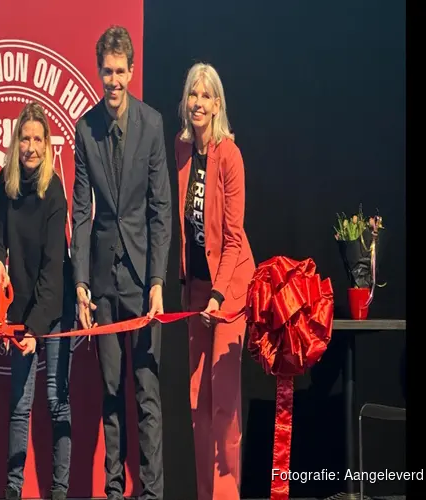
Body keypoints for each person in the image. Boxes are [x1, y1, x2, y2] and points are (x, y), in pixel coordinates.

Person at [70, 25, 172, 500]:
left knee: (147, 395)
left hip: (141, 279)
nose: (112, 80)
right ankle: (114, 492)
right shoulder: (84, 128)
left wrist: (156, 280)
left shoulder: (152, 125)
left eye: (119, 71)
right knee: (111, 394)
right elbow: (83, 211)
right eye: (105, 71)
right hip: (104, 283)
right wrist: (81, 283)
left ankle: (151, 492)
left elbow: (159, 210)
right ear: (99, 72)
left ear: (131, 72)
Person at [0, 101, 75, 500]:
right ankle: (13, 492)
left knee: (56, 400)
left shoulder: (54, 191)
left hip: (53, 310)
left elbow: (54, 271)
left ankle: (58, 492)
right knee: (20, 406)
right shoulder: (8, 181)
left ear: (48, 144)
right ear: (16, 141)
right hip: (20, 310)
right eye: (25, 138)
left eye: (38, 139)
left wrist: (36, 330)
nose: (31, 146)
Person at [175, 62, 256, 500]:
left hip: (231, 288)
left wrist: (221, 295)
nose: (198, 103)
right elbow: (187, 229)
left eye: (206, 96)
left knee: (223, 404)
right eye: (193, 95)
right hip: (198, 291)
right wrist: (192, 288)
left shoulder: (230, 155)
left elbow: (232, 235)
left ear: (218, 103)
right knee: (197, 404)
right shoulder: (182, 149)